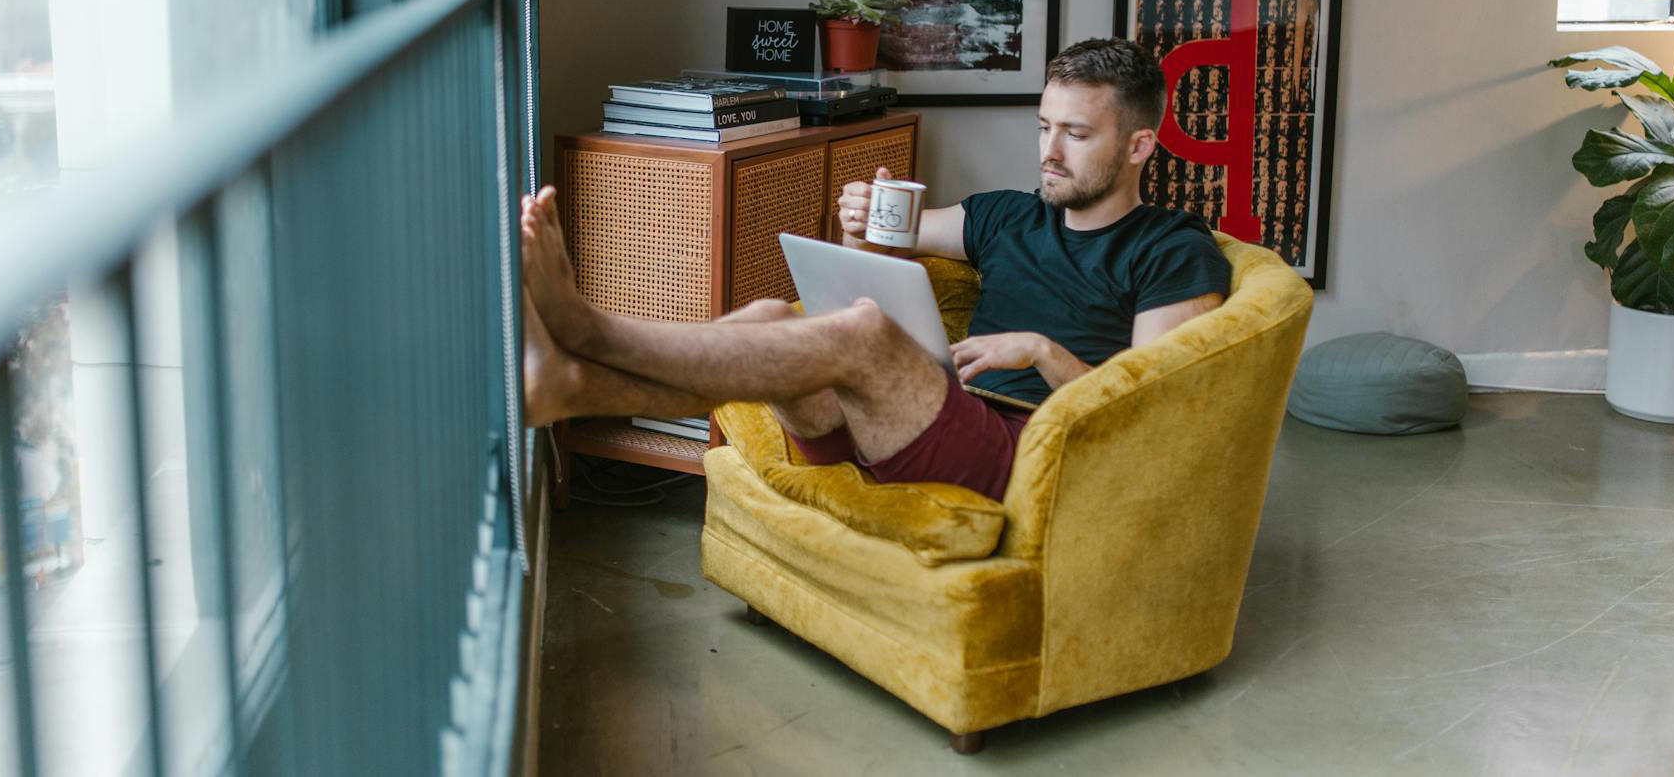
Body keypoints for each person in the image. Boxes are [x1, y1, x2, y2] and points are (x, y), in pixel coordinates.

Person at [521, 38, 1233, 501]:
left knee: (860, 334)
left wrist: (1043, 353)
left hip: (1028, 451)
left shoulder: (1173, 249)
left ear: (1140, 145)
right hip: (928, 421)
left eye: (1075, 134)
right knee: (775, 315)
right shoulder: (1009, 215)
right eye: (1044, 127)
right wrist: (863, 219)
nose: (1049, 151)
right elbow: (893, 239)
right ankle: (570, 384)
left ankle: (588, 329)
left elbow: (1155, 416)